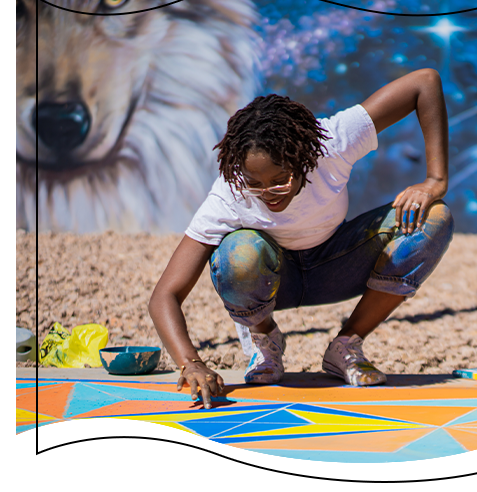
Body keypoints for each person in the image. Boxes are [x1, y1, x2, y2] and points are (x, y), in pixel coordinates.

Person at [148, 68, 455, 409]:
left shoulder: (331, 142)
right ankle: (264, 339)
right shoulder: (230, 193)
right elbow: (165, 295)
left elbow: (424, 83)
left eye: (280, 181)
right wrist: (190, 363)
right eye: (255, 183)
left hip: (336, 266)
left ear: (304, 158)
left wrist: (435, 179)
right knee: (238, 253)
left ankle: (346, 345)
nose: (268, 193)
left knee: (434, 217)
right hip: (276, 283)